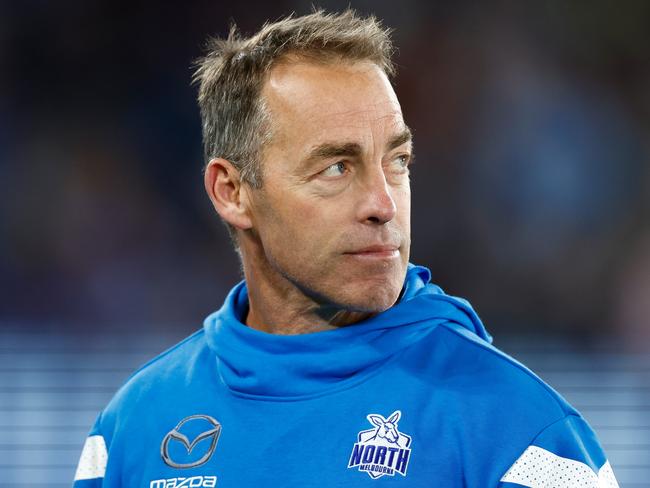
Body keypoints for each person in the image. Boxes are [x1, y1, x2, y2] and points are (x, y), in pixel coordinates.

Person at [72, 10, 619, 487]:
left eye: (397, 162)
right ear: (232, 192)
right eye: (337, 167)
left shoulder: (522, 437)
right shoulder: (132, 429)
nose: (383, 204)